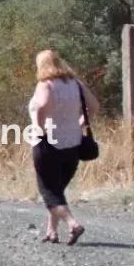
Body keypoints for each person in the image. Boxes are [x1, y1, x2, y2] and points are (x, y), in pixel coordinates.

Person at [28, 49, 99, 245]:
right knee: (57, 190)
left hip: (48, 145)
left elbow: (42, 106)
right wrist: (80, 123)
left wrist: (40, 129)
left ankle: (73, 224)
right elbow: (94, 106)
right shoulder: (75, 83)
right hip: (73, 146)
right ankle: (51, 231)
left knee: (49, 192)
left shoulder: (46, 84)